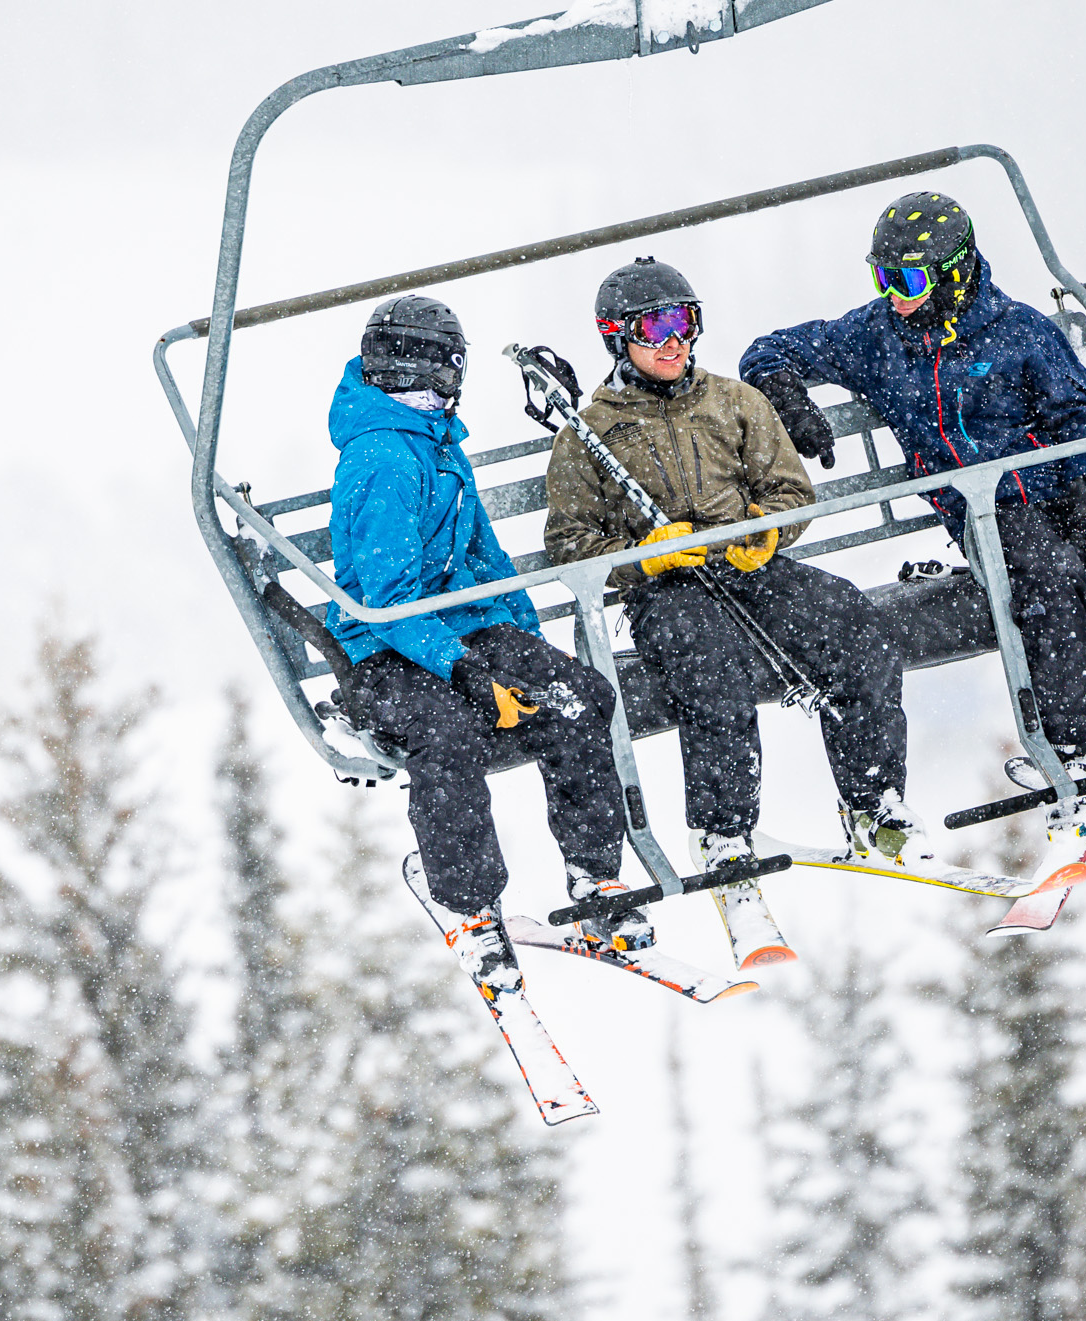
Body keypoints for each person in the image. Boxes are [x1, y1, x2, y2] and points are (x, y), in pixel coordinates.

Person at [737, 192, 1086, 820]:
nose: (893, 293)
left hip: (1079, 493)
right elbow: (770, 349)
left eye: (908, 278)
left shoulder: (1018, 329)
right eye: (881, 276)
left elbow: (1084, 416)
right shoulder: (875, 337)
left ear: (954, 270)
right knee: (1051, 581)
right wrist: (786, 394)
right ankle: (1071, 747)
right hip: (987, 509)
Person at [542, 257, 914, 971]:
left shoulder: (734, 402)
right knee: (711, 672)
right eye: (656, 326)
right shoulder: (588, 435)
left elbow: (788, 491)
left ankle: (874, 798)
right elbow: (570, 546)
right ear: (618, 338)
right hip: (668, 592)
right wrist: (643, 557)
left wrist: (762, 533)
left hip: (750, 569)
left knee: (853, 624)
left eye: (686, 322)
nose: (675, 340)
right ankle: (724, 834)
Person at [325, 293, 636, 995]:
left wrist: (527, 648)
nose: (428, 397)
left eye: (437, 382)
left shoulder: (439, 444)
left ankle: (595, 873)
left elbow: (486, 561)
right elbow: (384, 601)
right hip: (382, 652)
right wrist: (464, 670)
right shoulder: (381, 459)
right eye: (411, 383)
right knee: (448, 732)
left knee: (580, 696)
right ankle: (470, 909)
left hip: (459, 629)